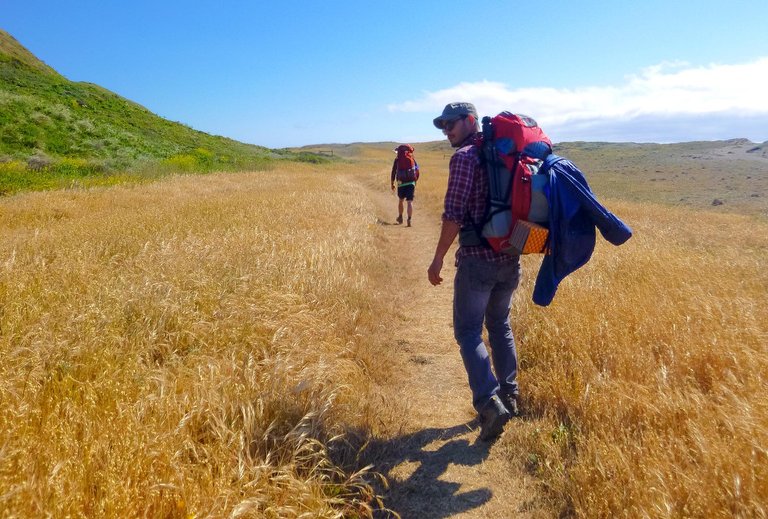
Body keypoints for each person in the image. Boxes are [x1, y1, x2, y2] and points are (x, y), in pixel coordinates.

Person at [427, 102, 521, 442]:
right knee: (499, 324)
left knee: (468, 331)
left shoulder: (464, 158)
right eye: (442, 126)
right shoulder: (504, 155)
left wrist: (438, 257)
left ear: (470, 121)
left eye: (451, 123)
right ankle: (510, 395)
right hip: (510, 259)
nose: (446, 130)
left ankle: (489, 403)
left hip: (477, 261)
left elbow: (453, 213)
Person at [390, 144, 420, 226]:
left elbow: (393, 172)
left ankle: (400, 217)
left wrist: (392, 183)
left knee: (401, 200)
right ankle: (409, 219)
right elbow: (417, 170)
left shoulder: (397, 159)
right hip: (411, 182)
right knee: (409, 202)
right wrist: (415, 180)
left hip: (401, 183)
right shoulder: (412, 159)